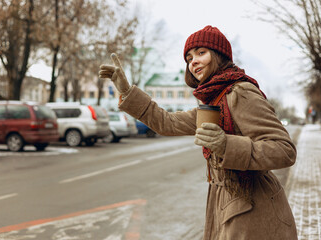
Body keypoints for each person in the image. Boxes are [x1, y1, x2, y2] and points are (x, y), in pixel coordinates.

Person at [99, 25, 298, 240]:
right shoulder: (215, 100)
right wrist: (127, 91)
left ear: (219, 56)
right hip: (226, 202)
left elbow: (284, 150)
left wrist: (226, 145)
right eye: (188, 57)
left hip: (254, 207)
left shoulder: (240, 93)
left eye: (201, 53)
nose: (193, 62)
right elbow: (167, 122)